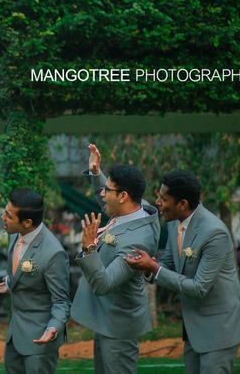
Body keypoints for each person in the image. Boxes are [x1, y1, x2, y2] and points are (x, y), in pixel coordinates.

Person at [125, 170, 240, 373]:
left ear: (182, 204)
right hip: (194, 326)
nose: (157, 202)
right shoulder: (175, 223)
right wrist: (145, 267)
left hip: (220, 326)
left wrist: (154, 268)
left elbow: (199, 288)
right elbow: (167, 264)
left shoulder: (214, 233)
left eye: (163, 199)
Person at [71, 143, 159, 374]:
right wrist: (96, 173)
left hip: (119, 326)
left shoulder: (137, 241)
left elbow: (104, 284)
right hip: (107, 319)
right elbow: (108, 203)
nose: (102, 193)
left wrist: (89, 250)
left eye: (107, 189)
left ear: (123, 196)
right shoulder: (140, 209)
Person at [0, 187, 70, 374]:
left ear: (27, 222)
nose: (3, 218)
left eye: (8, 216)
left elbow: (61, 301)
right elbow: (21, 275)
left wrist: (54, 328)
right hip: (14, 336)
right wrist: (11, 283)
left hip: (39, 340)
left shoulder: (54, 253)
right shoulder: (15, 235)